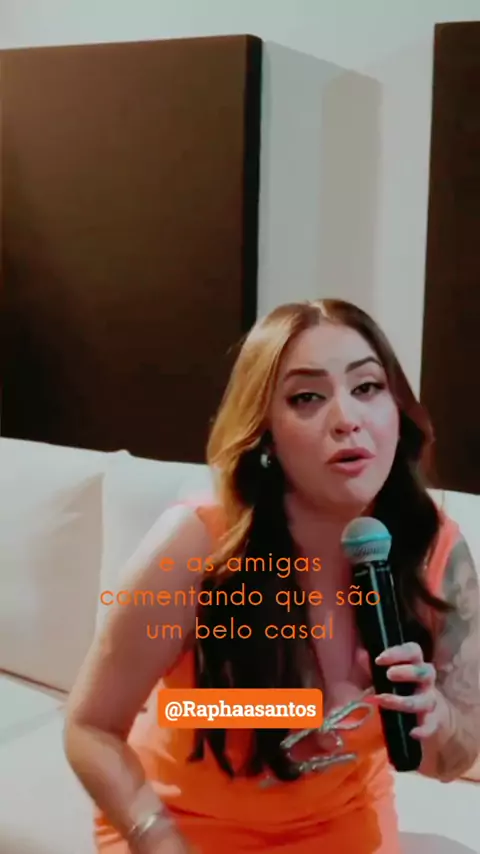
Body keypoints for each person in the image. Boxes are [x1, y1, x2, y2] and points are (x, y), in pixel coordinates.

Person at [64, 299, 480, 854]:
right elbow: (90, 727)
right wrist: (158, 840)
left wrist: (435, 717)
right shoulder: (198, 547)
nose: (346, 418)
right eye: (307, 397)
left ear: (397, 410)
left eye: (367, 387)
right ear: (266, 434)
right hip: (185, 827)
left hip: (344, 823)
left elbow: (453, 760)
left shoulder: (435, 550)